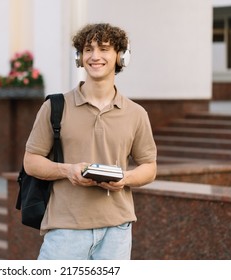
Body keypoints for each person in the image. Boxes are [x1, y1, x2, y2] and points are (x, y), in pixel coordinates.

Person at [23, 23, 157, 260]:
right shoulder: (54, 107)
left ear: (121, 56)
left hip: (117, 230)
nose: (95, 56)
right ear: (79, 57)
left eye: (104, 49)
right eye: (88, 49)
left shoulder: (136, 113)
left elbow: (149, 167)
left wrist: (125, 178)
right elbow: (31, 162)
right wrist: (68, 170)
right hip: (65, 229)